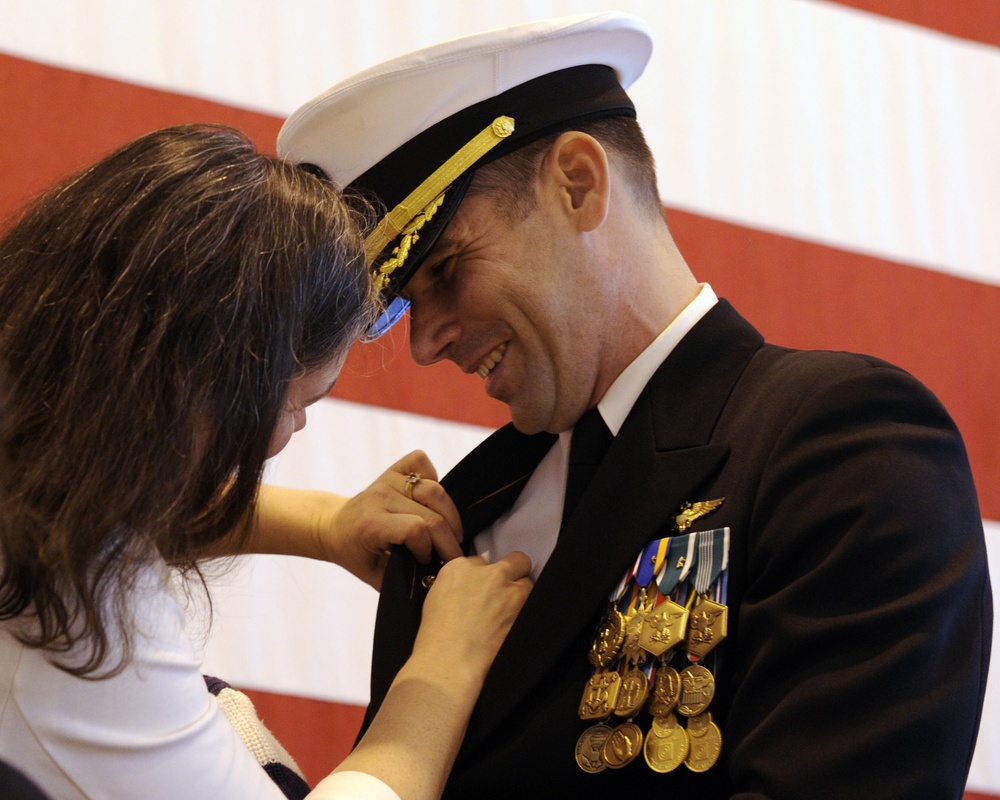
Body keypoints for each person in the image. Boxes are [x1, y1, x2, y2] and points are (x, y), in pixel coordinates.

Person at [277, 11, 993, 799]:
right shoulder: (464, 514)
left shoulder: (844, 447)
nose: (426, 344)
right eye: (409, 303)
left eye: (446, 268)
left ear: (578, 182)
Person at [0, 123, 533, 800]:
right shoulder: (82, 630)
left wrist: (323, 524)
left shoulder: (40, 412)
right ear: (210, 386)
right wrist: (444, 668)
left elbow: (89, 496)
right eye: (294, 404)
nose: (290, 433)